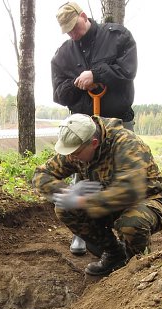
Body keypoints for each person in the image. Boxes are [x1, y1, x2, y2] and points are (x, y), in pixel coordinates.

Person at [32, 114, 162, 276]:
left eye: (76, 153)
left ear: (93, 143)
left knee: (131, 223)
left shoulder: (127, 144)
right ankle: (115, 254)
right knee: (64, 208)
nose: (71, 157)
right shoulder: (78, 146)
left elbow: (129, 191)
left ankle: (141, 267)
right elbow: (41, 174)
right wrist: (66, 192)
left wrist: (82, 200)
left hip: (152, 199)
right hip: (106, 201)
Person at [51, 1, 138, 256]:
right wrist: (78, 85)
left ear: (84, 16)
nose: (73, 34)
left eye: (75, 28)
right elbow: (58, 93)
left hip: (118, 121)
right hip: (83, 126)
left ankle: (127, 234)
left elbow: (127, 71)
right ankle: (84, 232)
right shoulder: (62, 55)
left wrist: (96, 74)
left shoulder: (118, 37)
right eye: (67, 31)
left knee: (123, 174)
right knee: (82, 175)